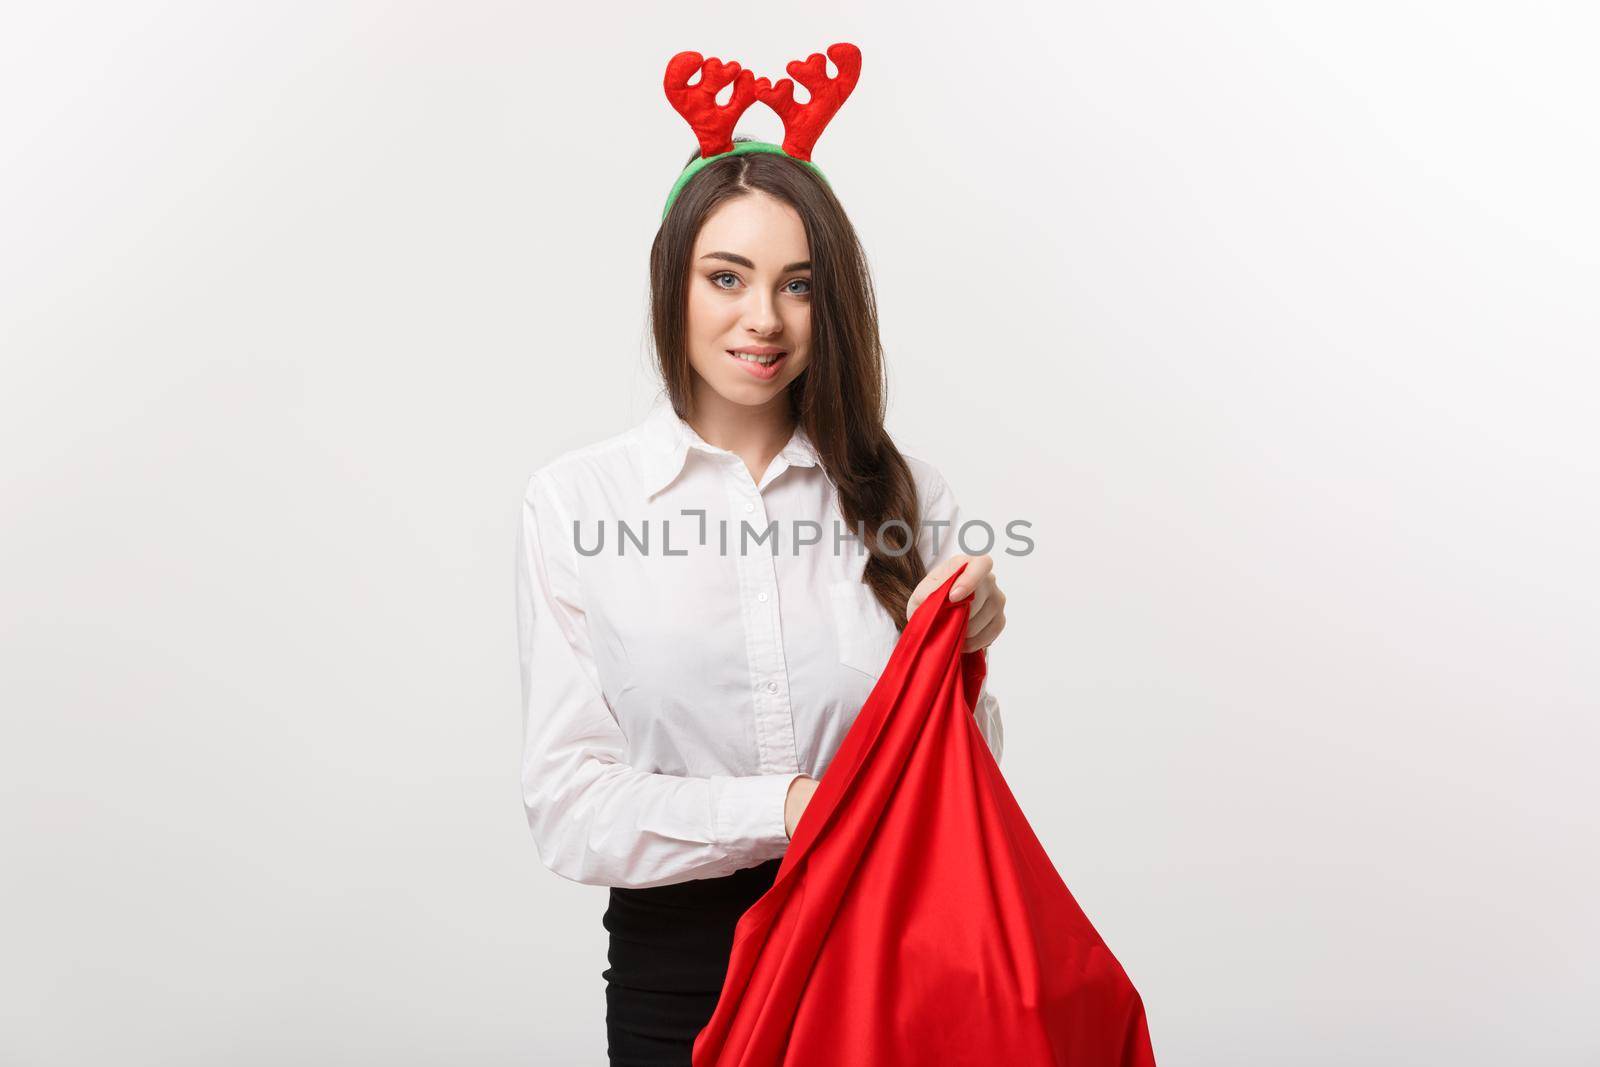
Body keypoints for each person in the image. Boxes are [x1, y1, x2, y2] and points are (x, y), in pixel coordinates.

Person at [514, 45, 1008, 1066]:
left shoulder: (906, 497)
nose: (762, 319)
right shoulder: (577, 502)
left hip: (887, 952)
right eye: (725, 276)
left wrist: (961, 660)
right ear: (674, 282)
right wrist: (789, 805)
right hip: (681, 977)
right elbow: (570, 806)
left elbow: (964, 785)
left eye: (797, 284)